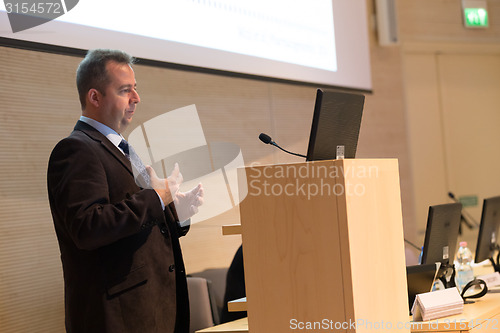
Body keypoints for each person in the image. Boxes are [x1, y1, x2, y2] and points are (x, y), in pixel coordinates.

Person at [47, 49, 203, 333]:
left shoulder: (122, 148)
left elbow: (137, 220)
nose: (136, 99)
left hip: (151, 309)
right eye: (125, 90)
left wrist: (174, 212)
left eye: (135, 89)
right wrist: (155, 198)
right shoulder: (76, 149)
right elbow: (88, 226)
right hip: (119, 317)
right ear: (95, 97)